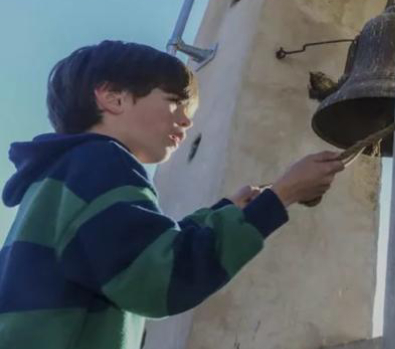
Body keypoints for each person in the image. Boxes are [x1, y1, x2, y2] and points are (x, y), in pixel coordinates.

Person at [0, 40, 347, 348]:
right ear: (112, 97)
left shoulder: (61, 180)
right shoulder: (102, 162)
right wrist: (280, 197)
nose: (186, 121)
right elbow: (163, 278)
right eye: (174, 102)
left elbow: (141, 250)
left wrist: (226, 211)